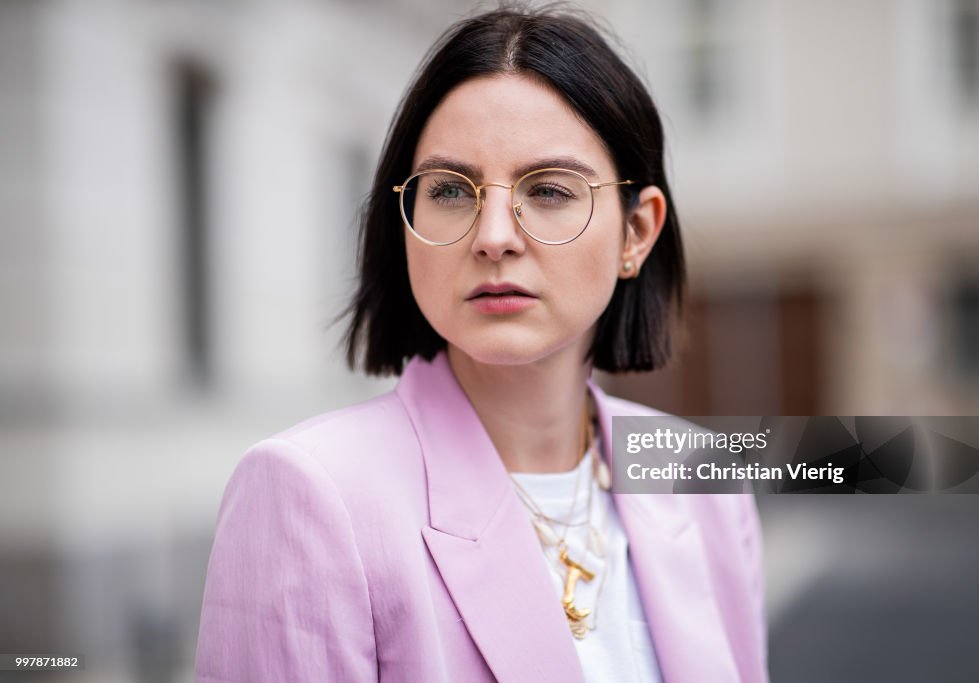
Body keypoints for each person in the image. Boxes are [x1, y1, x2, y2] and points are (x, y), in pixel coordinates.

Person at [195, 5, 766, 682]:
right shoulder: (310, 493)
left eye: (548, 189)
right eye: (450, 190)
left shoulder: (702, 476)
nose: (494, 236)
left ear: (637, 232)